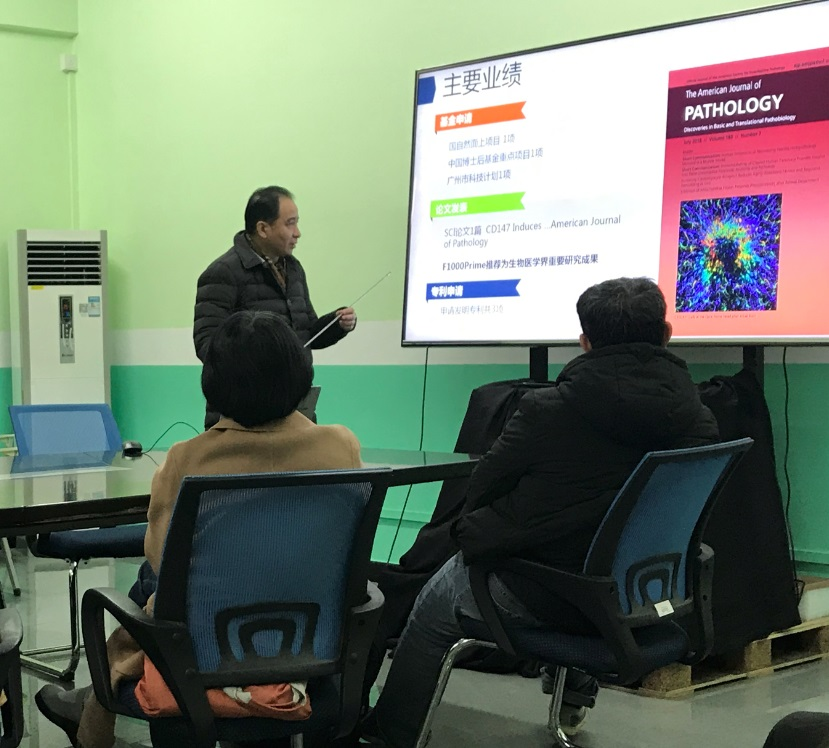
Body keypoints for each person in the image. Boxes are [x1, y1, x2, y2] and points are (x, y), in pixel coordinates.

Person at [361, 277, 720, 748]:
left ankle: (391, 734)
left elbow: (481, 490)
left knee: (437, 599)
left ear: (584, 342)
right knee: (578, 555)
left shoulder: (547, 411)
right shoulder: (700, 418)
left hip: (548, 595)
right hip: (646, 593)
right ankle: (572, 703)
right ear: (667, 334)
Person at [35, 310, 362, 748]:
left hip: (199, 656)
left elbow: (161, 558)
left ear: (213, 384)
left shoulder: (188, 458)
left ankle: (94, 701)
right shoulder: (341, 444)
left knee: (151, 583)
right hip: (309, 647)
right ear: (302, 374)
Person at [194, 185, 357, 428]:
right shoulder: (222, 273)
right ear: (263, 229)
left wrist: (336, 324)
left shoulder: (293, 269)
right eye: (290, 224)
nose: (297, 233)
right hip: (242, 417)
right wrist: (262, 362)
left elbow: (306, 333)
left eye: (297, 223)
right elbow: (207, 346)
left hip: (295, 411)